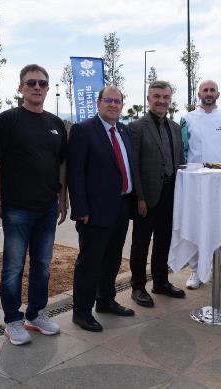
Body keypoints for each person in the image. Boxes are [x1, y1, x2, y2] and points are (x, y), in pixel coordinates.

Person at [0, 64, 67, 345]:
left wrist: (63, 198)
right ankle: (12, 320)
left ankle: (35, 314)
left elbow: (62, 164)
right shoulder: (7, 120)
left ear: (47, 88)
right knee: (13, 267)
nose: (37, 87)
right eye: (31, 82)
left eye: (42, 83)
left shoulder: (56, 124)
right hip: (16, 208)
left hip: (47, 208)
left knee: (42, 265)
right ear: (20, 87)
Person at [68, 86, 136, 332]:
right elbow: (75, 173)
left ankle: (105, 300)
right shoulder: (83, 130)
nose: (113, 105)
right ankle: (81, 312)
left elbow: (129, 167)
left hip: (122, 206)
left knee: (113, 258)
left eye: (117, 101)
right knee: (90, 262)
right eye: (108, 100)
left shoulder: (124, 131)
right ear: (98, 103)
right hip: (94, 211)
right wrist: (80, 209)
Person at [129, 81, 186, 307]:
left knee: (164, 240)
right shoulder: (137, 127)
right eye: (157, 96)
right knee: (141, 242)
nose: (161, 101)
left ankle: (161, 282)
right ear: (148, 99)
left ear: (170, 99)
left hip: (171, 193)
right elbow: (134, 166)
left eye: (165, 97)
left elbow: (180, 161)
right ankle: (138, 287)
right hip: (147, 196)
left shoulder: (175, 128)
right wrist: (139, 197)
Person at [180, 80, 221, 289]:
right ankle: (196, 271)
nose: (208, 93)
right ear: (199, 94)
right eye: (205, 90)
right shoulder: (188, 118)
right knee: (197, 225)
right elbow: (183, 150)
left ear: (218, 94)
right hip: (196, 182)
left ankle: (219, 271)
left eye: (212, 90)